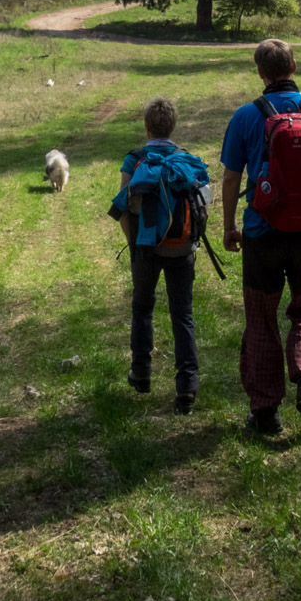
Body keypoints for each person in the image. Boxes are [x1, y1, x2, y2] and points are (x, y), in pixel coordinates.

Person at [221, 39, 301, 433]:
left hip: (262, 233)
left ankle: (265, 413)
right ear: (294, 65)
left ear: (260, 73)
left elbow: (230, 178)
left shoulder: (246, 116)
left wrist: (229, 226)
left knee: (261, 318)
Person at [110, 96, 201, 415]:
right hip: (181, 247)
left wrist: (135, 244)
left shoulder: (134, 161)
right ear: (172, 125)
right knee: (182, 314)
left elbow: (123, 208)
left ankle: (141, 373)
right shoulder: (185, 159)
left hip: (146, 247)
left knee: (142, 308)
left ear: (147, 126)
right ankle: (187, 386)